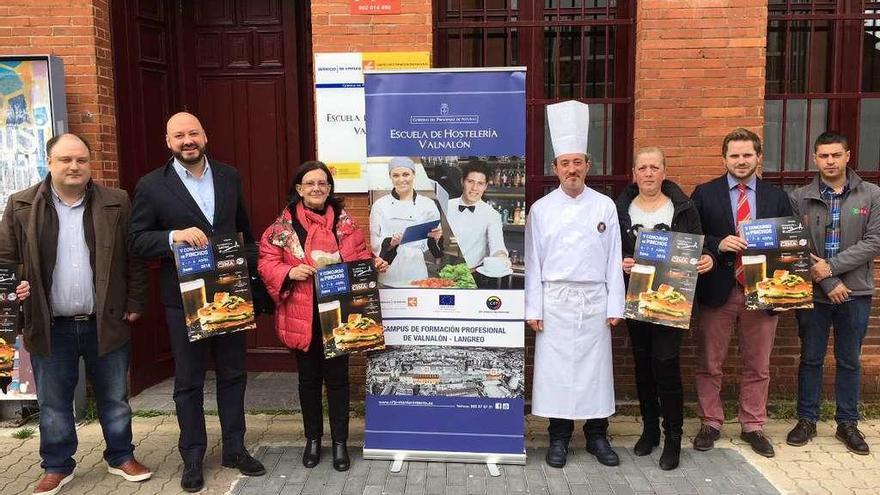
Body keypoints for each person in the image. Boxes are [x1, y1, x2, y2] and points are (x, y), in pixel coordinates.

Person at [0, 133, 152, 495]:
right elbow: (5, 261)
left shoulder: (116, 202)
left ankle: (120, 455)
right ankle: (56, 465)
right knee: (53, 404)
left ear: (89, 163)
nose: (74, 166)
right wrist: (14, 288)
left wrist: (134, 303)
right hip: (50, 324)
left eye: (81, 160)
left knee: (115, 397)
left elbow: (134, 259)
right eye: (66, 159)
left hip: (106, 319)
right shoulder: (20, 205)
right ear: (49, 162)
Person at [127, 112, 265, 492]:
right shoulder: (152, 185)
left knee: (233, 374)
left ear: (205, 136)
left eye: (193, 133)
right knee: (188, 381)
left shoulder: (229, 175)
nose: (187, 140)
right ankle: (192, 457)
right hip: (183, 299)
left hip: (229, 293)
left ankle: (235, 448)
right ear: (167, 142)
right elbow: (136, 240)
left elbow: (243, 230)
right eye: (179, 135)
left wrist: (252, 269)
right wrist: (173, 235)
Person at [258, 161, 388, 471]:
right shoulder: (283, 227)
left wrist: (374, 263)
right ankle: (313, 440)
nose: (317, 188)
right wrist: (290, 270)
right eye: (310, 183)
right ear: (299, 189)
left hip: (339, 317)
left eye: (323, 183)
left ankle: (340, 443)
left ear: (330, 189)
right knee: (308, 381)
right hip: (302, 315)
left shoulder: (344, 223)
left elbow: (359, 256)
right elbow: (266, 262)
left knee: (339, 381)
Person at [525, 100, 625, 468]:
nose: (572, 169)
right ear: (555, 168)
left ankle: (598, 435)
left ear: (587, 165)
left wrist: (616, 304)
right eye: (565, 163)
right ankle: (559, 437)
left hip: (594, 300)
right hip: (555, 300)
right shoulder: (541, 209)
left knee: (595, 373)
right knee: (557, 374)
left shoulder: (604, 206)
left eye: (577, 162)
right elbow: (533, 261)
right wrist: (533, 308)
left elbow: (614, 257)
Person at [690, 128, 793, 458]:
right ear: (724, 159)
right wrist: (717, 243)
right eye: (734, 155)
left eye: (747, 155)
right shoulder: (705, 194)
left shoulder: (776, 196)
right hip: (717, 290)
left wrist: (789, 290)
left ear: (758, 157)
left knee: (758, 364)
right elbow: (690, 237)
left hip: (762, 291)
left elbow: (790, 243)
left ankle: (753, 424)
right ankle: (711, 421)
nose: (741, 160)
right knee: (709, 362)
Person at [615, 147, 714, 470]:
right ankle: (649, 431)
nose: (648, 173)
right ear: (634, 173)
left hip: (673, 302)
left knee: (667, 364)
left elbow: (698, 245)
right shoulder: (621, 209)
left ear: (664, 171)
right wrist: (621, 264)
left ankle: (673, 436)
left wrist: (705, 259)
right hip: (638, 298)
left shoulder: (682, 207)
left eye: (654, 167)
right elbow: (608, 251)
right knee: (643, 365)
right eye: (642, 167)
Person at [786, 132, 880, 454]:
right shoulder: (800, 197)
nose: (830, 161)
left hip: (856, 292)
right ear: (815, 158)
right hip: (813, 292)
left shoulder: (872, 195)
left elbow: (874, 242)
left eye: (835, 155)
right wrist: (827, 281)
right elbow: (798, 245)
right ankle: (807, 419)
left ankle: (848, 423)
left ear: (848, 155)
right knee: (811, 358)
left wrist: (832, 269)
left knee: (849, 360)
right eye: (824, 156)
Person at [369, 157, 442, 285]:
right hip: (388, 271)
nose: (401, 179)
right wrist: (391, 242)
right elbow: (374, 241)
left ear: (414, 175)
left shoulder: (428, 204)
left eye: (406, 174)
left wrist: (436, 237)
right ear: (390, 177)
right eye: (396, 175)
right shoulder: (380, 205)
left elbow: (433, 244)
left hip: (417, 271)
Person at [445, 161, 508, 282]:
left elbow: (497, 246)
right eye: (470, 182)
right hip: (443, 274)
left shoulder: (492, 215)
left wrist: (502, 257)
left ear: (485, 186)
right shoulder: (445, 206)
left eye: (480, 183)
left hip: (473, 277)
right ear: (462, 181)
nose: (474, 188)